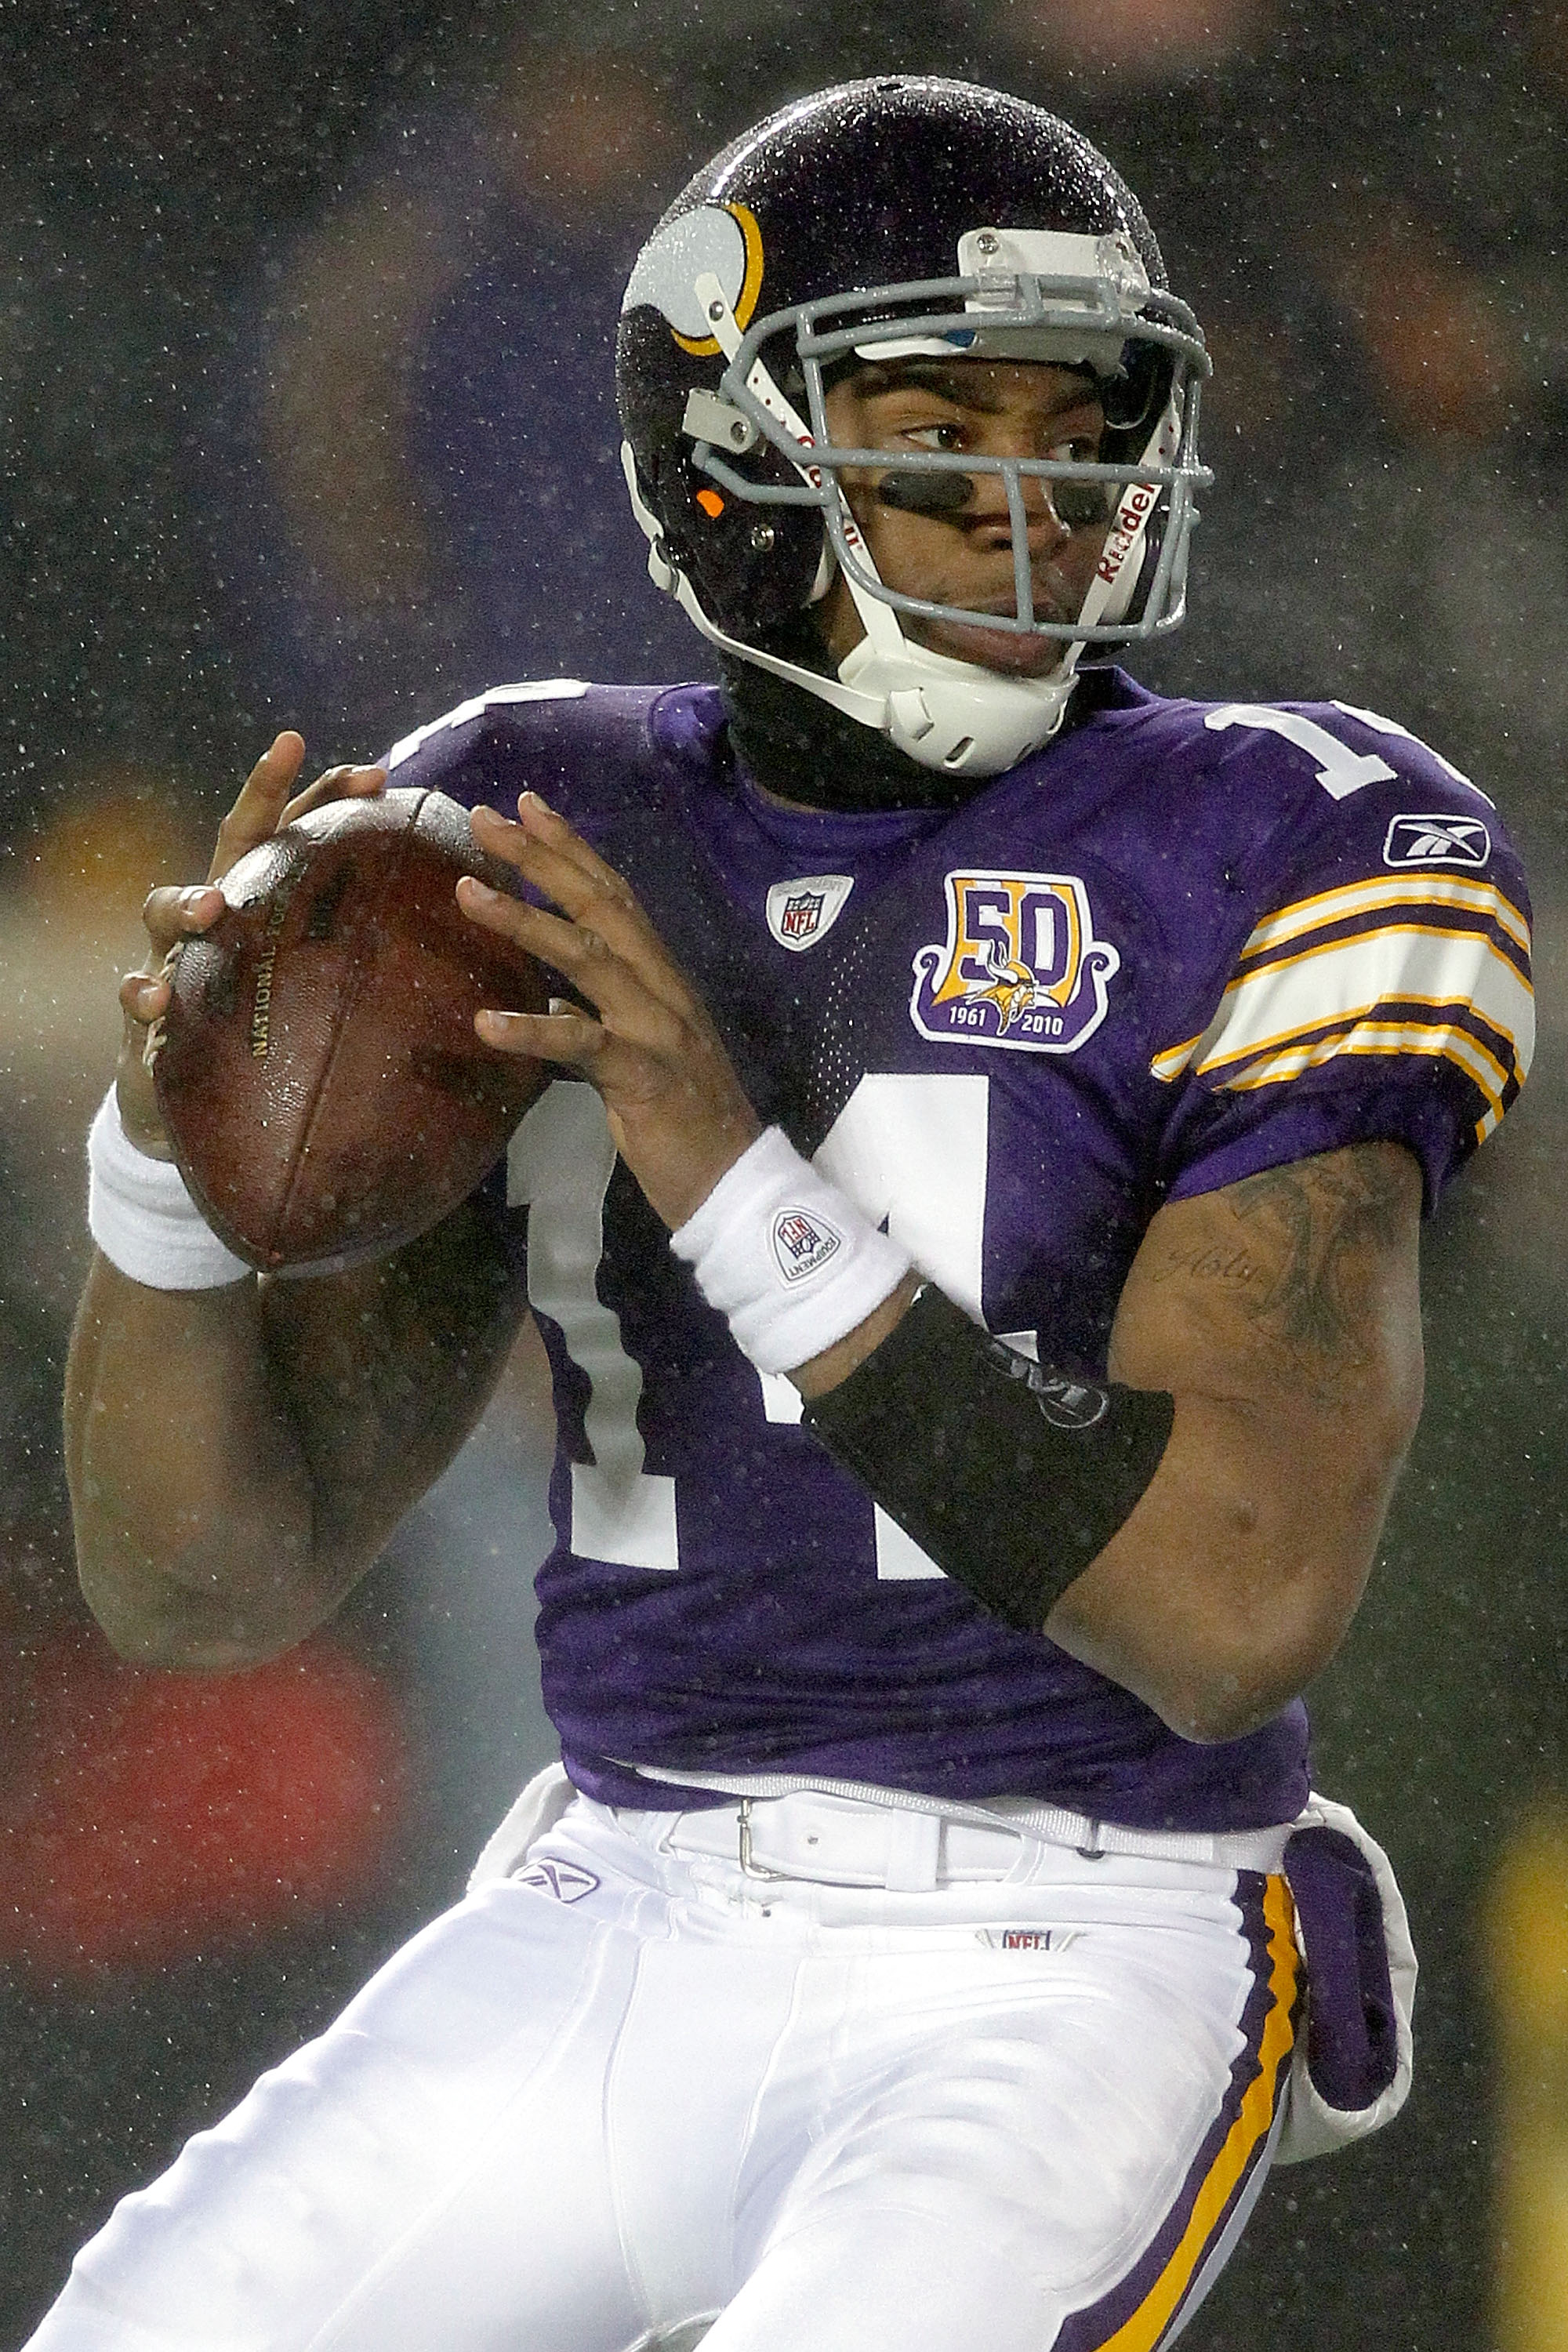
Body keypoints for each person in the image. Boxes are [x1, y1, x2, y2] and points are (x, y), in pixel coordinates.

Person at [37, 76, 1531, 2352]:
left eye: (1084, 425)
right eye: (943, 426)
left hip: (1080, 1942)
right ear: (723, 459)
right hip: (614, 1898)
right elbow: (204, 1586)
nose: (1038, 502)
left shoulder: (1290, 845)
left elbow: (1232, 1613)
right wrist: (163, 1167)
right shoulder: (528, 824)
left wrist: (736, 1176)